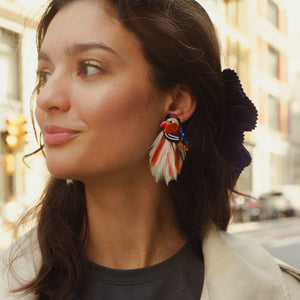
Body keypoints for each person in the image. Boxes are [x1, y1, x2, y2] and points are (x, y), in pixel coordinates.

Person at [0, 0, 299, 299]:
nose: (46, 98)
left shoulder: (277, 290)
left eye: (89, 68)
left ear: (176, 102)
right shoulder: (8, 280)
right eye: (45, 73)